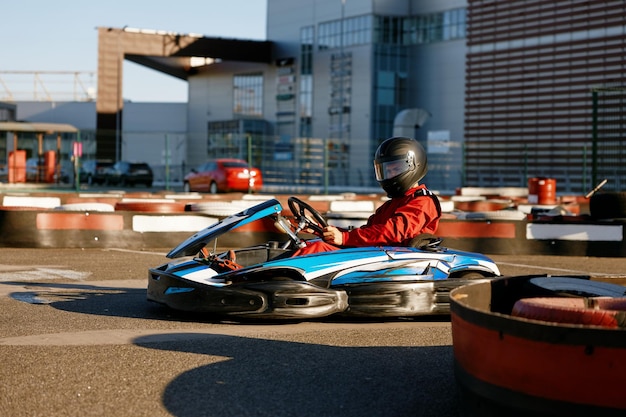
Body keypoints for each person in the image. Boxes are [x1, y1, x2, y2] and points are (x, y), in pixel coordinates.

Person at [293, 136, 441, 256]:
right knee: (310, 244)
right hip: (376, 254)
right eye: (386, 171)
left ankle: (281, 280)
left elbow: (392, 232)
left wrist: (345, 238)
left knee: (317, 250)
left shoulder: (423, 201)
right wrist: (322, 229)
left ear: (414, 166)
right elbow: (368, 232)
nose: (390, 175)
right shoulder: (392, 204)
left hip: (392, 259)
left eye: (395, 169)